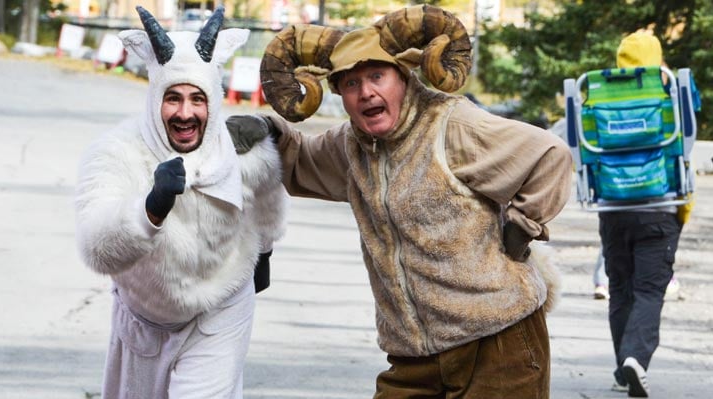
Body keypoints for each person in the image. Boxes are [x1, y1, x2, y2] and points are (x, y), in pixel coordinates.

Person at [227, 5, 573, 398]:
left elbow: (550, 156)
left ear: (403, 77)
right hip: (414, 357)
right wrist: (268, 130)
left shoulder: (453, 126)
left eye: (377, 76)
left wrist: (522, 225)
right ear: (338, 92)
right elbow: (301, 160)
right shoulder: (351, 147)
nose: (366, 92)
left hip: (496, 343)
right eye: (351, 83)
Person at [74, 6, 287, 399]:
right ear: (155, 98)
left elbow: (270, 195)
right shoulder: (117, 153)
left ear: (213, 102)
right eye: (173, 98)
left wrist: (267, 252)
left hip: (221, 308)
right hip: (144, 316)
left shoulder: (240, 151)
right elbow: (95, 250)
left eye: (198, 99)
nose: (186, 113)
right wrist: (149, 209)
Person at [600, 31, 700, 397]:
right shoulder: (672, 89)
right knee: (648, 290)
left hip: (613, 207)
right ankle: (635, 359)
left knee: (620, 288)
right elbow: (688, 134)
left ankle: (623, 365)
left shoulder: (598, 89)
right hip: (659, 207)